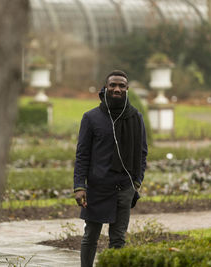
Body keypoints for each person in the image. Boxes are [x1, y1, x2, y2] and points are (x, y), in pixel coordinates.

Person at [73, 70, 148, 267]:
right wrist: (80, 186)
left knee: (118, 240)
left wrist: (136, 183)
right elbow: (82, 155)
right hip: (97, 188)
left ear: (127, 89)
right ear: (105, 88)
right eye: (113, 85)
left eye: (121, 86)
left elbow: (142, 153)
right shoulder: (91, 118)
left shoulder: (135, 118)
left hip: (124, 188)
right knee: (90, 237)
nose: (117, 89)